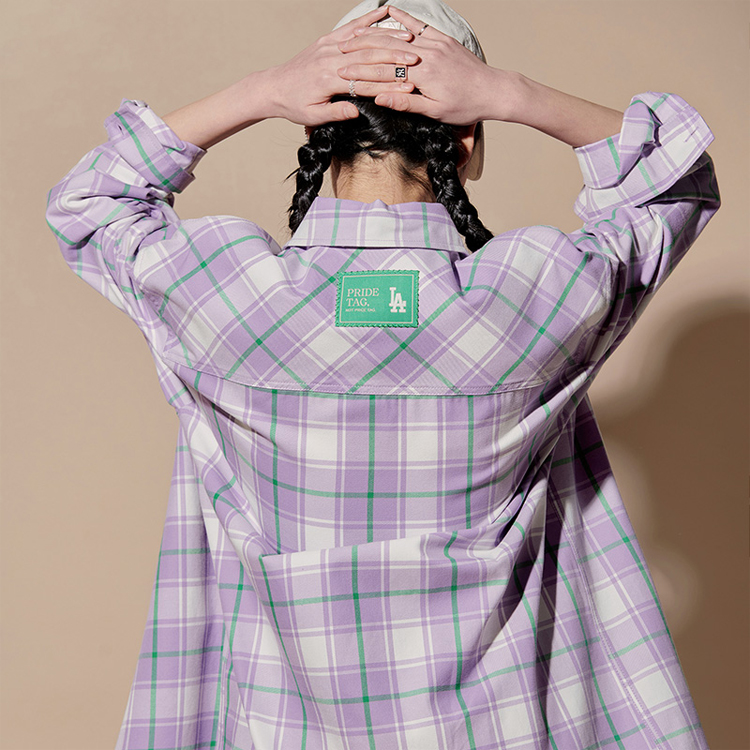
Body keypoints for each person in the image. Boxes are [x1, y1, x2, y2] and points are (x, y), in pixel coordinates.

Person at [46, 0, 719, 747]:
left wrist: (260, 90)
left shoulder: (225, 291)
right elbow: (675, 180)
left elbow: (89, 202)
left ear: (316, 127)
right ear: (466, 137)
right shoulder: (536, 294)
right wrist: (512, 92)